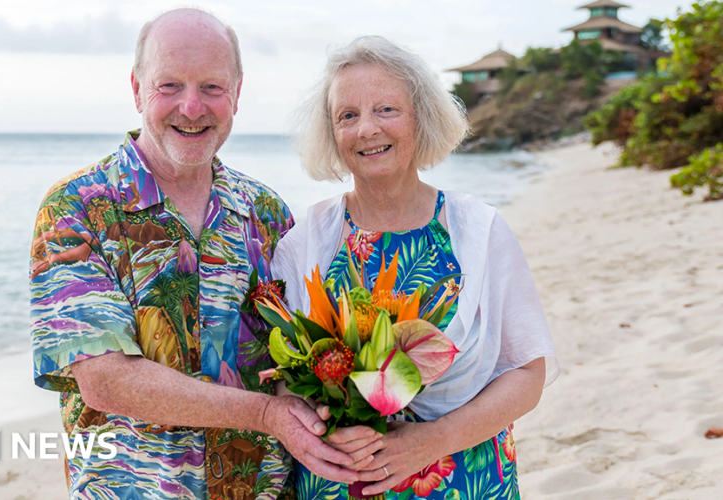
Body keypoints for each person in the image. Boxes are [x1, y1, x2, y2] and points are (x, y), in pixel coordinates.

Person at [28, 9, 360, 500]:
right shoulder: (76, 209)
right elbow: (105, 380)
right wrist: (269, 415)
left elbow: (298, 356)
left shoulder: (267, 213)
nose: (191, 107)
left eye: (211, 87)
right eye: (169, 86)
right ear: (137, 88)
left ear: (237, 94)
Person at [271, 36, 560, 499]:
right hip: (344, 480)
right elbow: (287, 379)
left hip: (465, 476)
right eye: (348, 115)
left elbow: (527, 374)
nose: (367, 129)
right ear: (331, 132)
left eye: (386, 109)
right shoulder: (306, 243)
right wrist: (321, 429)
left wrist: (431, 441)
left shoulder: (480, 231)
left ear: (421, 118)